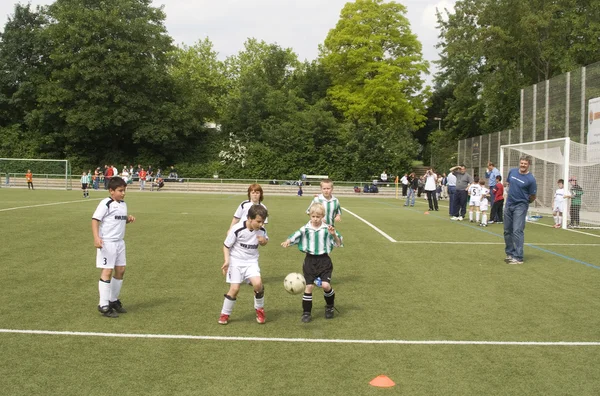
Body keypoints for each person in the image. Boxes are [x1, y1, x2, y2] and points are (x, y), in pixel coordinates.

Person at [281, 202, 343, 323]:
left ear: (322, 216)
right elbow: (295, 235)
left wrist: (334, 234)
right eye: (313, 216)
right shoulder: (306, 228)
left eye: (318, 217)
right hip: (309, 260)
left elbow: (339, 243)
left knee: (325, 285)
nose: (315, 219)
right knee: (308, 286)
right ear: (310, 216)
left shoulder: (327, 228)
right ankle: (306, 313)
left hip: (324, 260)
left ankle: (330, 307)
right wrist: (287, 241)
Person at [92, 176, 135, 318]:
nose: (123, 193)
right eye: (120, 190)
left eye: (124, 190)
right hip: (107, 242)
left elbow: (118, 222)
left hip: (119, 242)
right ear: (111, 191)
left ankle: (113, 300)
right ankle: (103, 305)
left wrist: (127, 220)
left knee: (121, 270)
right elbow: (95, 220)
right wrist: (97, 238)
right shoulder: (106, 203)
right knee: (107, 271)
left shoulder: (123, 204)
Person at [218, 205, 269, 325]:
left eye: (262, 222)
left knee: (258, 284)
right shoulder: (237, 229)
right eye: (258, 221)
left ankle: (259, 310)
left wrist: (263, 241)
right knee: (234, 289)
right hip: (236, 262)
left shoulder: (262, 231)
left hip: (251, 262)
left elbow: (265, 242)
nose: (261, 224)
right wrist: (227, 261)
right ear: (249, 218)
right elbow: (226, 246)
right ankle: (225, 314)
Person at [504, 156, 537, 265]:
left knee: (517, 231)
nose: (523, 165)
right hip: (509, 204)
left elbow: (533, 196)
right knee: (507, 230)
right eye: (522, 163)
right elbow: (508, 184)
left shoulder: (531, 179)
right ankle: (510, 253)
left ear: (528, 165)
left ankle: (518, 257)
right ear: (519, 163)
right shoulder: (512, 172)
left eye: (525, 164)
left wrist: (524, 203)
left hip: (520, 206)